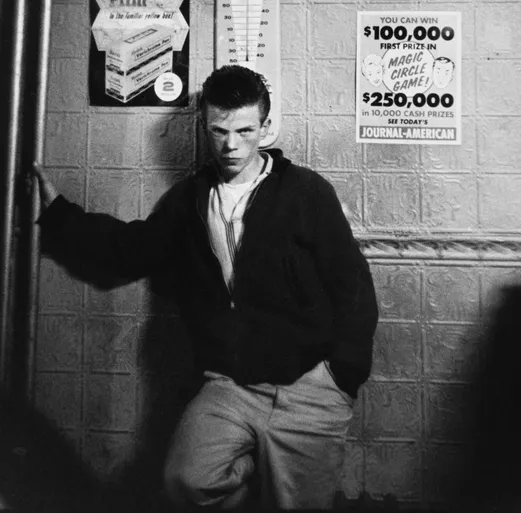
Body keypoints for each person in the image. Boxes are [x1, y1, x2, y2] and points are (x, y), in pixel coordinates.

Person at [33, 65, 378, 510]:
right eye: (219, 130)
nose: (231, 145)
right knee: (187, 481)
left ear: (265, 127)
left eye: (245, 130)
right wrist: (59, 215)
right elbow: (130, 249)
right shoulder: (190, 199)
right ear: (204, 126)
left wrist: (340, 376)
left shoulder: (306, 192)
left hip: (309, 386)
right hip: (230, 384)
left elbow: (353, 286)